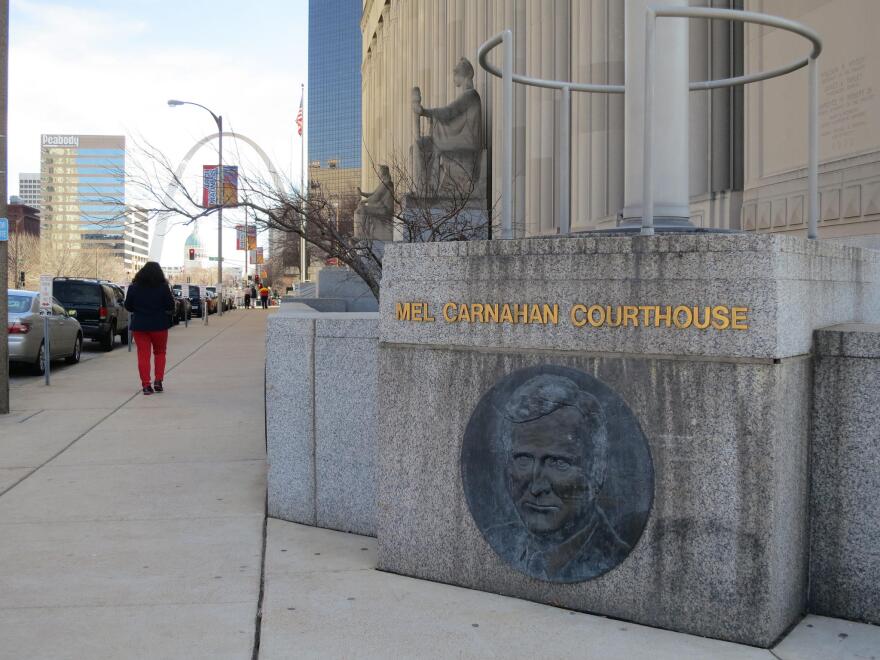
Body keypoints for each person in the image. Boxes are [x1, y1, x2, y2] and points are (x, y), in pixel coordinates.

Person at [486, 374, 630, 581]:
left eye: (558, 463)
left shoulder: (611, 554)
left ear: (597, 471)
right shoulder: (499, 537)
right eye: (524, 459)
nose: (536, 487)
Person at [125, 261, 175, 395]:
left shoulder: (133, 287)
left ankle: (146, 385)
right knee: (160, 352)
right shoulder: (163, 287)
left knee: (143, 355)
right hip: (159, 325)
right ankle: (158, 381)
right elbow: (170, 306)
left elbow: (128, 306)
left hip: (140, 326)